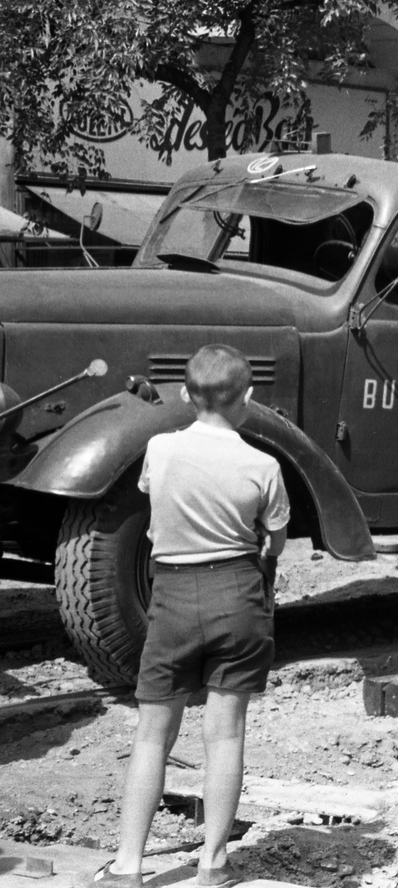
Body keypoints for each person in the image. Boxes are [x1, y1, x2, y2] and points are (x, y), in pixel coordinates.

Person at [98, 345, 290, 888]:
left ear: (185, 395)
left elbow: (149, 494)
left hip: (173, 599)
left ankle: (128, 868)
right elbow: (275, 542)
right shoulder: (264, 464)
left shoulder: (159, 449)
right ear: (248, 400)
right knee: (225, 734)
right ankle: (212, 865)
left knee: (152, 735)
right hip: (238, 597)